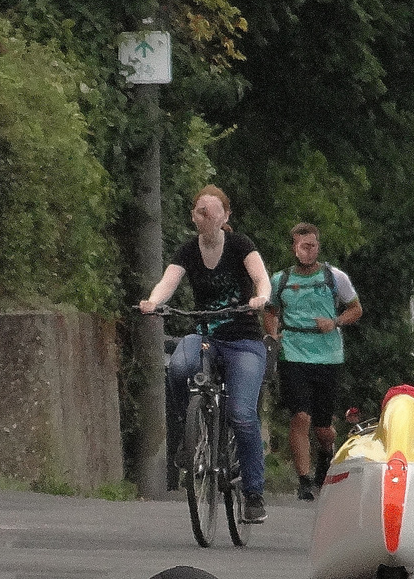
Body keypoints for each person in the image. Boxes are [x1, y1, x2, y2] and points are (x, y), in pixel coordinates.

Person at [139, 186, 272, 523]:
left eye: (213, 211)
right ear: (193, 216)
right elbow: (167, 282)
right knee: (179, 367)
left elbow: (261, 278)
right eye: (200, 211)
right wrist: (154, 302)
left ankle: (254, 493)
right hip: (205, 335)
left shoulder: (240, 245)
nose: (206, 217)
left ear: (225, 216)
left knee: (242, 414)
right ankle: (190, 432)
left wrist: (261, 297)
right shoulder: (188, 251)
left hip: (243, 340)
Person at [263, 222, 363, 500]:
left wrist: (335, 322)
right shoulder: (280, 280)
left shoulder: (335, 277)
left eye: (313, 246)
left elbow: (356, 309)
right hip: (293, 354)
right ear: (294, 247)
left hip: (328, 356)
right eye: (304, 246)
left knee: (323, 428)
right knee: (300, 416)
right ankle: (305, 480)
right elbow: (270, 312)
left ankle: (326, 452)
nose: (309, 251)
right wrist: (273, 336)